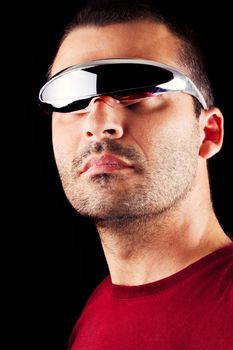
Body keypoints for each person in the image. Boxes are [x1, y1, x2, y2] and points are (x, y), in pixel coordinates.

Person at [38, 1, 233, 349]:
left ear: (208, 133)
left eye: (138, 88)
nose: (98, 124)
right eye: (71, 99)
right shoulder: (93, 317)